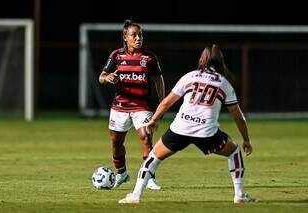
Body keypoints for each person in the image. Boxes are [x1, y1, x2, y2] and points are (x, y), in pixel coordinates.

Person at [118, 44, 258, 204]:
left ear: (202, 59)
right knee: (234, 152)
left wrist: (154, 120)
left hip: (181, 128)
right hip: (207, 132)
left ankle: (136, 195)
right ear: (221, 62)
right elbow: (238, 116)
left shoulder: (190, 76)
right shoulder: (224, 83)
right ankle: (239, 195)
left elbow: (165, 102)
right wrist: (246, 139)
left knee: (153, 158)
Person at [99, 20, 165, 190]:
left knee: (146, 138)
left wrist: (162, 101)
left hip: (142, 106)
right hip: (120, 106)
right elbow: (102, 76)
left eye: (140, 35)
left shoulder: (149, 57)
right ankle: (122, 174)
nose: (138, 38)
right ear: (125, 37)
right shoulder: (116, 55)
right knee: (116, 143)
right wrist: (107, 78)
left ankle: (148, 177)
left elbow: (158, 79)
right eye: (134, 35)